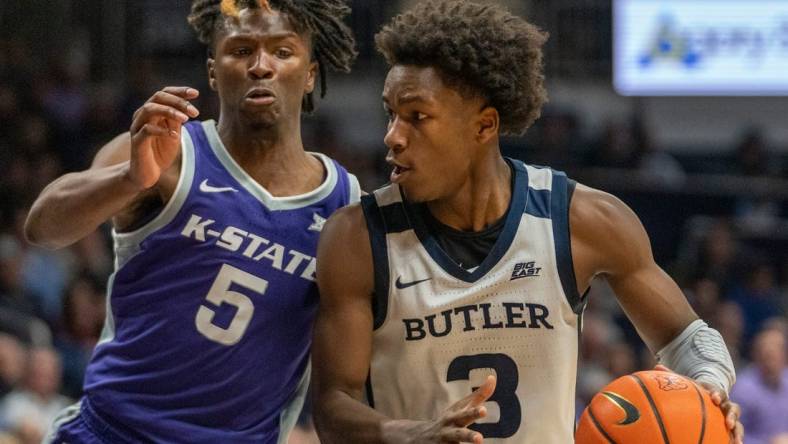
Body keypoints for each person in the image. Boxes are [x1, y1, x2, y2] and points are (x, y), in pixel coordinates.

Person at [310, 1, 743, 443]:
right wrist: (412, 433)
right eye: (391, 113)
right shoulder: (357, 237)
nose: (392, 136)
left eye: (417, 117)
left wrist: (707, 385)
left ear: (484, 126)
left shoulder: (583, 219)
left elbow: (686, 337)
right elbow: (331, 406)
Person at [24, 0, 358, 442]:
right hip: (112, 432)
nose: (261, 66)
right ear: (213, 72)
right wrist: (127, 179)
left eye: (282, 51)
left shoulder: (345, 202)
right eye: (241, 51)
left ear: (310, 73)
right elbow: (42, 228)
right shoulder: (169, 151)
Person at [730, 321, 788, 444]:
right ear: (756, 354)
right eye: (766, 351)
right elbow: (732, 433)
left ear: (784, 354)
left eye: (776, 350)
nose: (770, 356)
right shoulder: (743, 389)